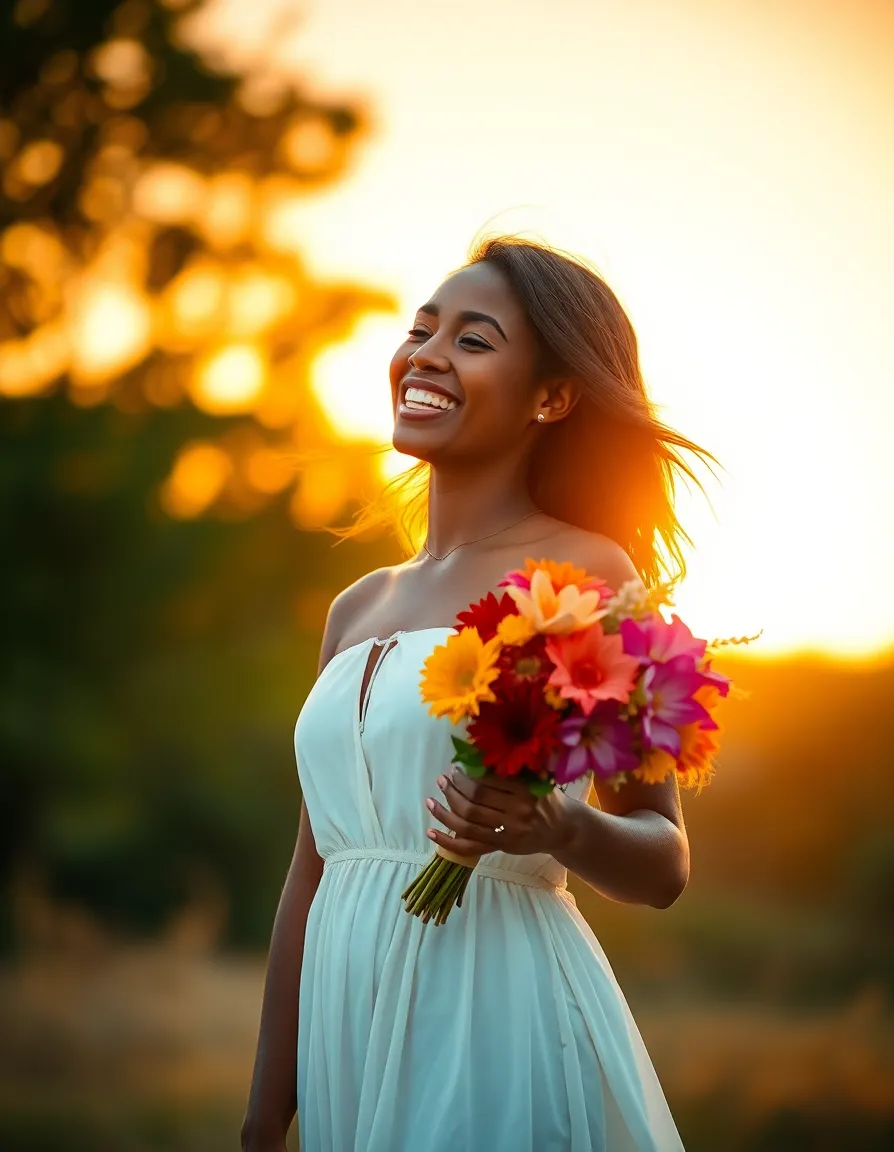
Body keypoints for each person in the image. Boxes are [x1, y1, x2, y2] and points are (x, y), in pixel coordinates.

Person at [241, 234, 722, 1151]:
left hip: (490, 1002)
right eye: (423, 328)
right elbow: (312, 871)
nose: (425, 353)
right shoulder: (354, 606)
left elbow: (663, 864)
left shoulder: (586, 574)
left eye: (473, 339)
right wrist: (266, 1113)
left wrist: (561, 828)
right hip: (349, 1013)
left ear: (553, 396)